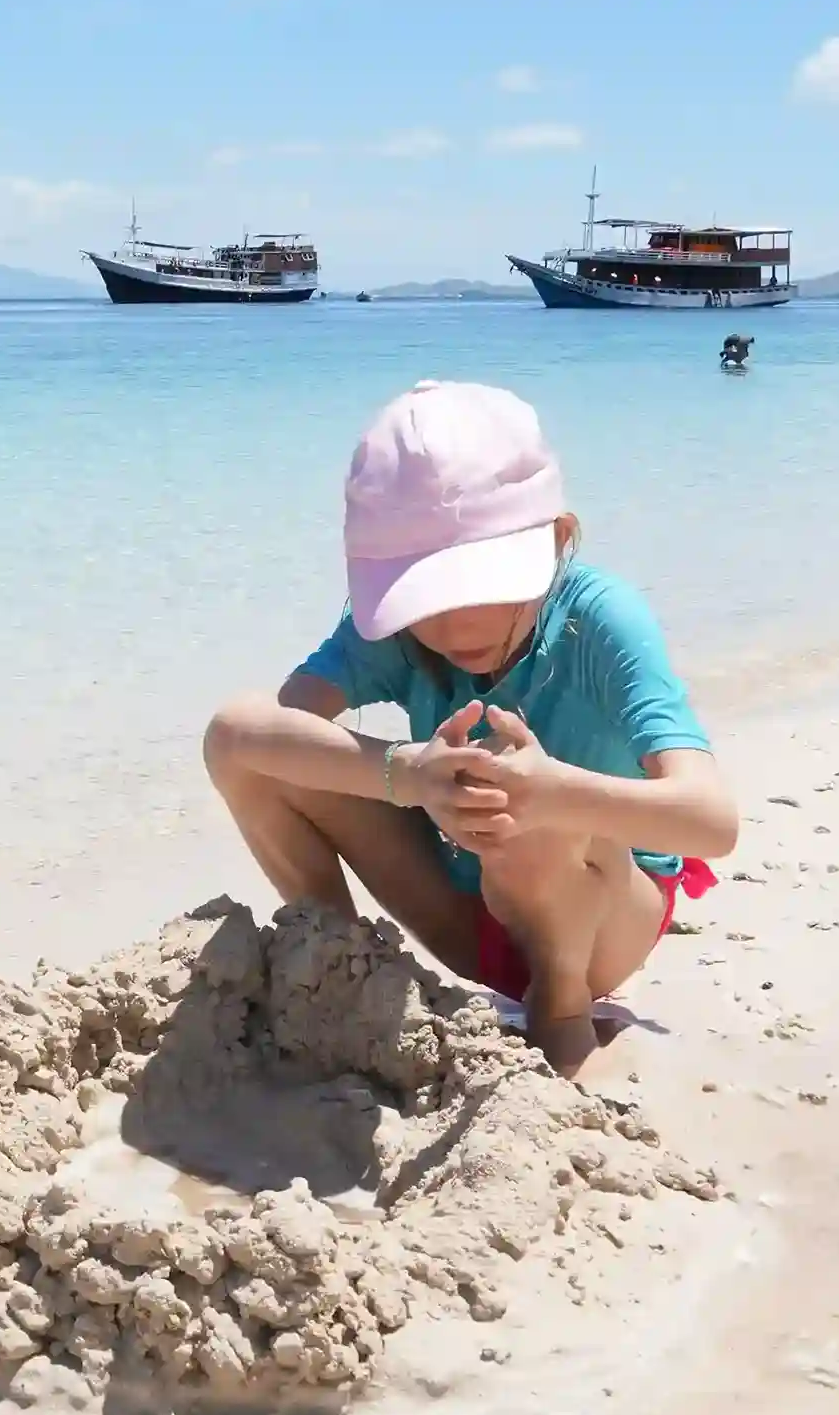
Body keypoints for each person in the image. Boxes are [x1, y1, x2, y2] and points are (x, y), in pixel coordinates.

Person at [201, 380, 738, 1078]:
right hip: (464, 915)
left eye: (482, 588)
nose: (454, 627)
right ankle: (338, 964)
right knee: (237, 741)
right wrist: (409, 774)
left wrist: (554, 792)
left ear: (558, 540)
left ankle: (561, 1009)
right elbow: (272, 733)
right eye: (426, 597)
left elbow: (712, 821)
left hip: (602, 926)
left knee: (512, 787)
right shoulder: (400, 633)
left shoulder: (602, 619)